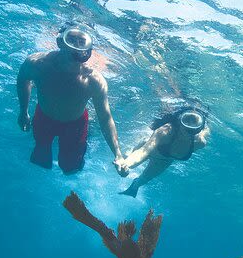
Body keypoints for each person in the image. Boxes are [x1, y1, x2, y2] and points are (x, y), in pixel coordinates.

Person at [17, 22, 127, 175]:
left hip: (75, 125)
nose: (76, 46)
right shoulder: (37, 63)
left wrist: (118, 154)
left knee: (71, 168)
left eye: (82, 42)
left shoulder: (93, 80)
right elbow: (23, 79)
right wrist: (23, 111)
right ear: (60, 42)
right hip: (44, 117)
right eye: (72, 39)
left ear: (88, 48)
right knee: (40, 155)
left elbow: (105, 117)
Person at [119, 107, 210, 197]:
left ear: (200, 127)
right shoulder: (166, 131)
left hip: (164, 161)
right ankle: (126, 155)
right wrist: (126, 164)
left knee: (142, 181)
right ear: (179, 121)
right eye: (186, 120)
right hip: (148, 147)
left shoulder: (199, 143)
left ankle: (131, 190)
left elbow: (205, 132)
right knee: (128, 163)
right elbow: (144, 150)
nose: (189, 128)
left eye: (194, 123)